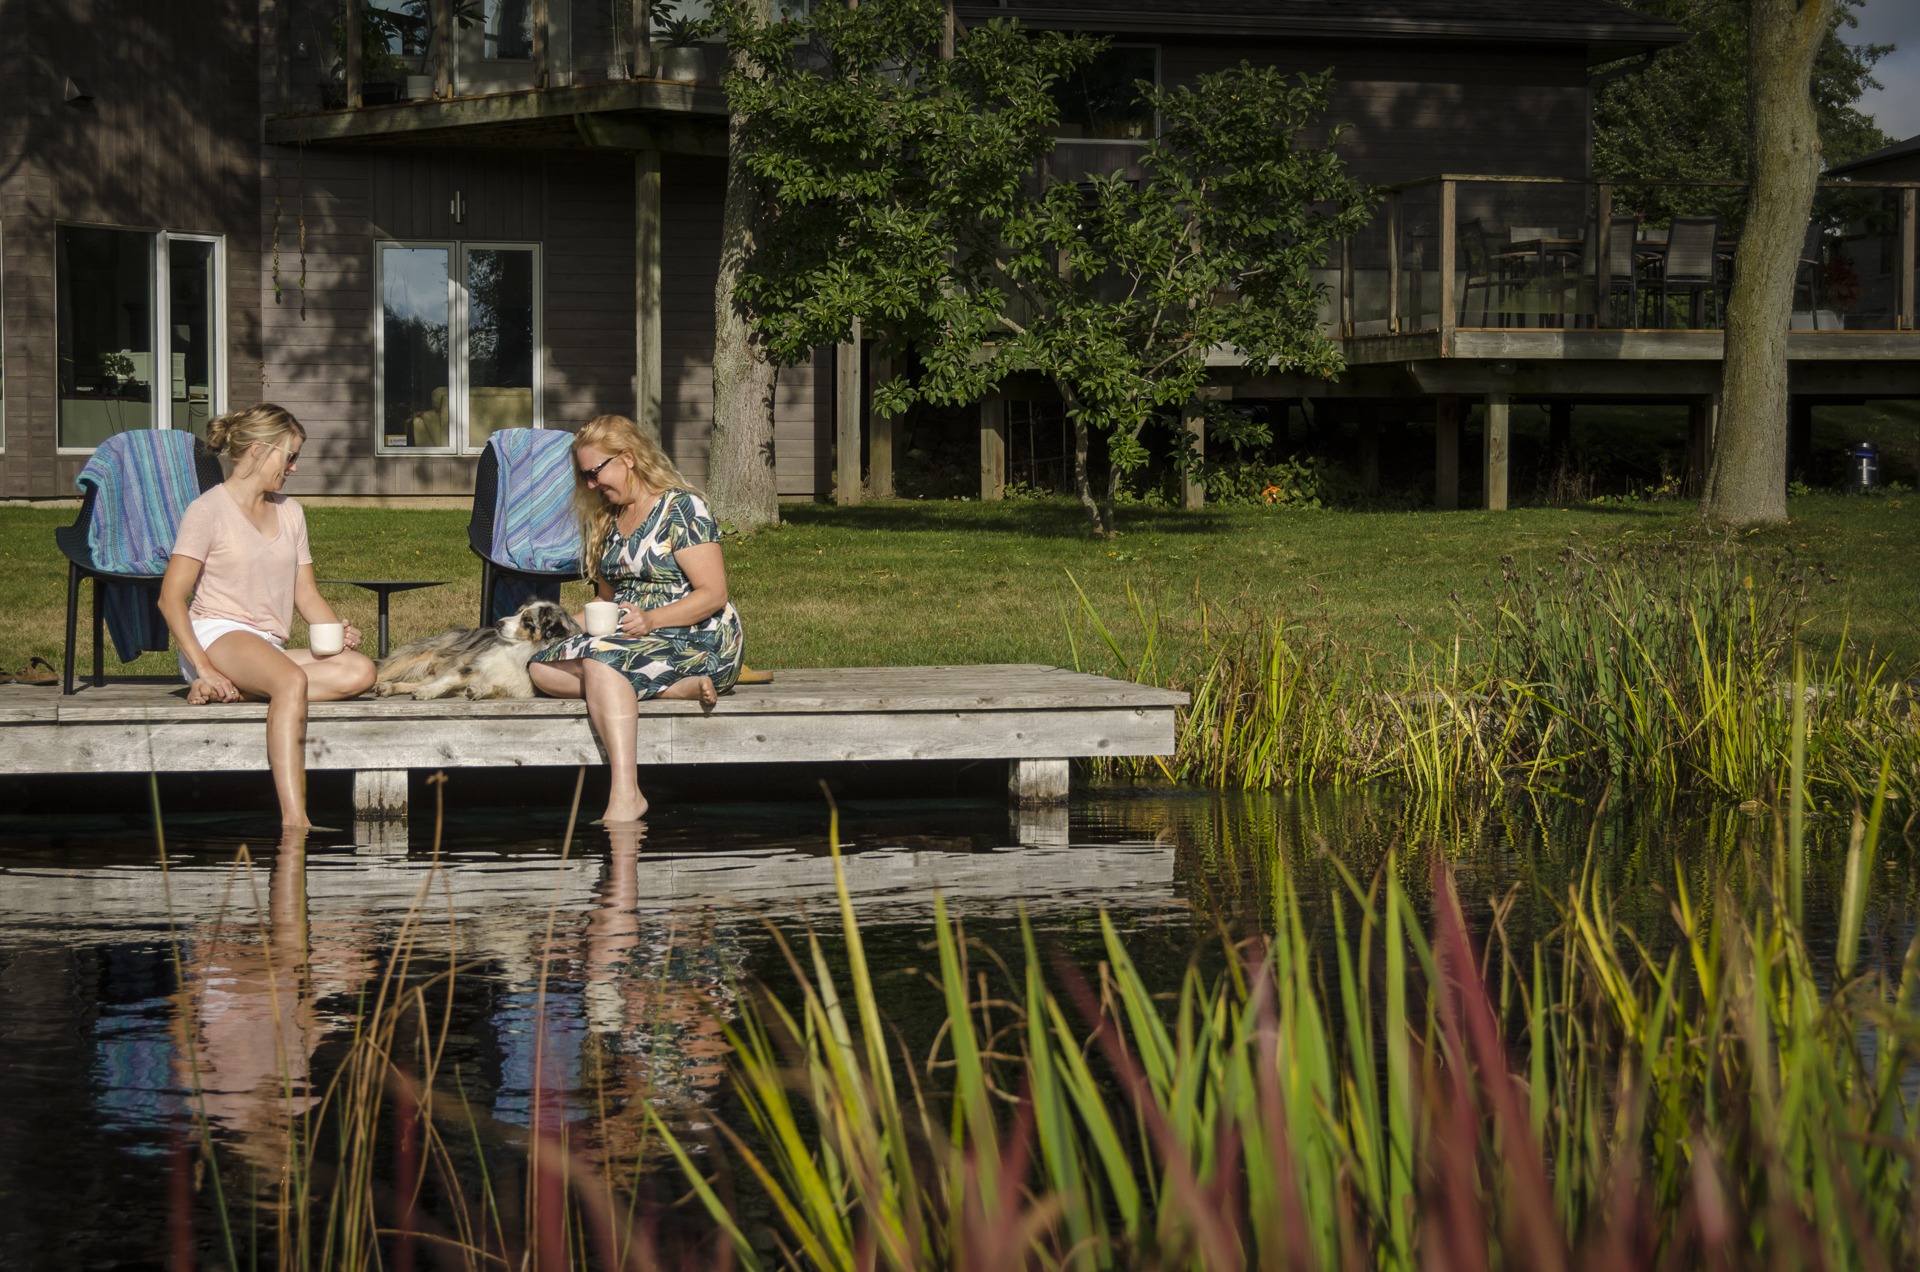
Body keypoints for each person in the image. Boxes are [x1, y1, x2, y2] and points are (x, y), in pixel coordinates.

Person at [157, 404, 376, 829]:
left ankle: (250, 687)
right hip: (217, 635)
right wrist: (201, 667)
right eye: (289, 456)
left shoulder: (290, 512)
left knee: (360, 671)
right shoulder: (207, 511)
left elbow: (306, 592)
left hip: (264, 647)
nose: (293, 468)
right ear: (259, 450)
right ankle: (295, 819)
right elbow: (170, 599)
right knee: (292, 681)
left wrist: (334, 632)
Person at [528, 414, 745, 823]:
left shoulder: (682, 508)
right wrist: (545, 625)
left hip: (695, 633)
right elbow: (605, 602)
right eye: (585, 476)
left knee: (601, 662)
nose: (591, 485)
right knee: (540, 668)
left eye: (595, 473)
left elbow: (714, 594)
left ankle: (626, 793)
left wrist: (652, 619)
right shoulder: (609, 519)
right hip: (631, 635)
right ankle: (670, 688)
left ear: (627, 458)